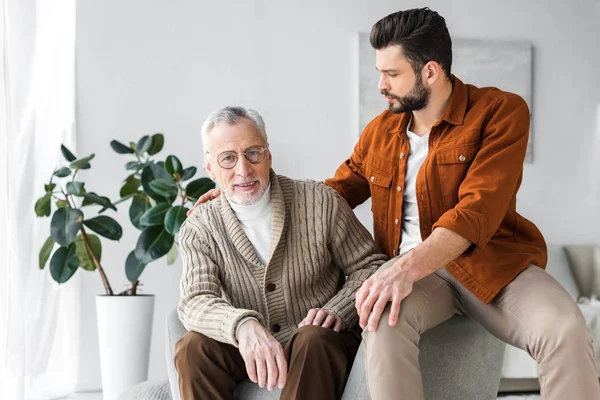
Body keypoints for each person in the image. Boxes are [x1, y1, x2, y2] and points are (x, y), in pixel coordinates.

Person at [190, 8, 599, 400]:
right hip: (421, 282)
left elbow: (478, 210)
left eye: (391, 73)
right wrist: (240, 191)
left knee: (564, 328)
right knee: (381, 323)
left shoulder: (500, 112)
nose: (381, 84)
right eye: (379, 72)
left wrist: (400, 269)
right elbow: (331, 194)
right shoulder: (380, 131)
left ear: (430, 72)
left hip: (492, 263)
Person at [174, 106, 387, 400]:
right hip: (248, 348)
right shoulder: (200, 226)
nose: (243, 170)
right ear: (210, 167)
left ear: (268, 155)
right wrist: (242, 325)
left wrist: (338, 308)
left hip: (319, 345)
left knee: (314, 338)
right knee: (192, 348)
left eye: (253, 153)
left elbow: (372, 266)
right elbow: (195, 300)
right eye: (228, 159)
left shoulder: (320, 202)